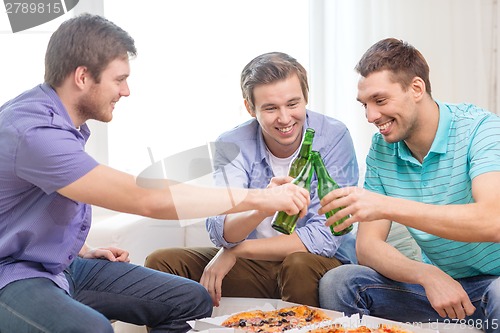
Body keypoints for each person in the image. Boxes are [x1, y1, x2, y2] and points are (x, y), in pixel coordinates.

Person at [0, 14, 311, 333]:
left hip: (60, 265)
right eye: (118, 79)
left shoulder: (59, 121)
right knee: (92, 330)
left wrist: (77, 247)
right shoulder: (34, 132)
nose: (126, 91)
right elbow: (146, 198)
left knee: (191, 300)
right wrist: (265, 197)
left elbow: (30, 203)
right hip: (10, 276)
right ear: (82, 76)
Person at [145, 52, 359, 307]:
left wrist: (237, 251)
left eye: (293, 104)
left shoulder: (333, 137)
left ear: (305, 98)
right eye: (270, 108)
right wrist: (262, 205)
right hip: (258, 267)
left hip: (314, 265)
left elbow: (323, 239)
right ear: (250, 108)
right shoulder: (233, 143)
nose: (284, 118)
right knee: (162, 263)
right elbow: (221, 229)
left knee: (298, 263)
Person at [317, 38, 500, 332]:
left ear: (416, 88)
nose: (371, 116)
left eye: (380, 100)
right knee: (341, 282)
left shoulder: (481, 129)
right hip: (441, 291)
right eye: (365, 105)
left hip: (496, 283)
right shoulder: (382, 149)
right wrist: (427, 275)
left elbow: (493, 221)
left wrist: (387, 205)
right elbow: (368, 247)